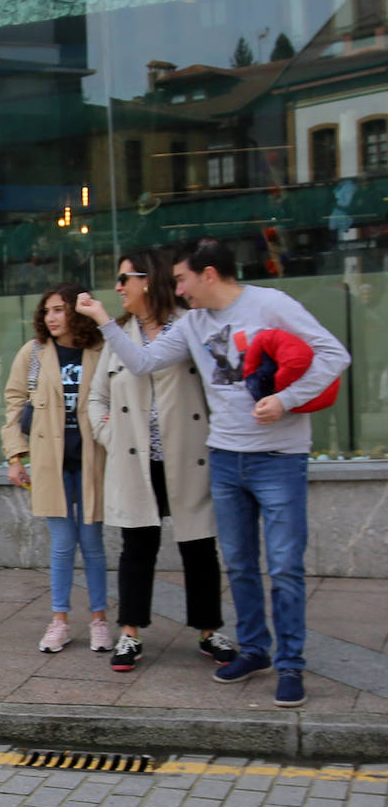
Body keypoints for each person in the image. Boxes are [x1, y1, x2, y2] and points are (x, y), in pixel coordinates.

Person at [76, 236, 350, 709]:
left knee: (283, 566)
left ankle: (290, 665)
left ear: (207, 274)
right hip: (224, 457)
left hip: (279, 457)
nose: (177, 288)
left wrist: (286, 400)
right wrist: (103, 320)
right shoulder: (194, 324)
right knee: (239, 564)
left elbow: (333, 355)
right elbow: (141, 362)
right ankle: (255, 651)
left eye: (182, 278)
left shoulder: (272, 304)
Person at [86, 249, 235, 673]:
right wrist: (109, 435)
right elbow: (96, 398)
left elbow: (222, 384)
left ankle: (209, 630)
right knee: (137, 546)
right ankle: (130, 633)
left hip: (188, 456)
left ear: (147, 281)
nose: (117, 288)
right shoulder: (117, 335)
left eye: (123, 279)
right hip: (134, 459)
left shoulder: (194, 326)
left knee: (199, 545)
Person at [2, 284, 110, 654]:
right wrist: (15, 456)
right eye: (47, 310)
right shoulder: (33, 353)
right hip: (50, 461)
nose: (51, 317)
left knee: (93, 542)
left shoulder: (99, 350)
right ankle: (60, 620)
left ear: (76, 313)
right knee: (63, 543)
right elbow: (14, 402)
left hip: (94, 458)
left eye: (59, 310)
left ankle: (99, 620)